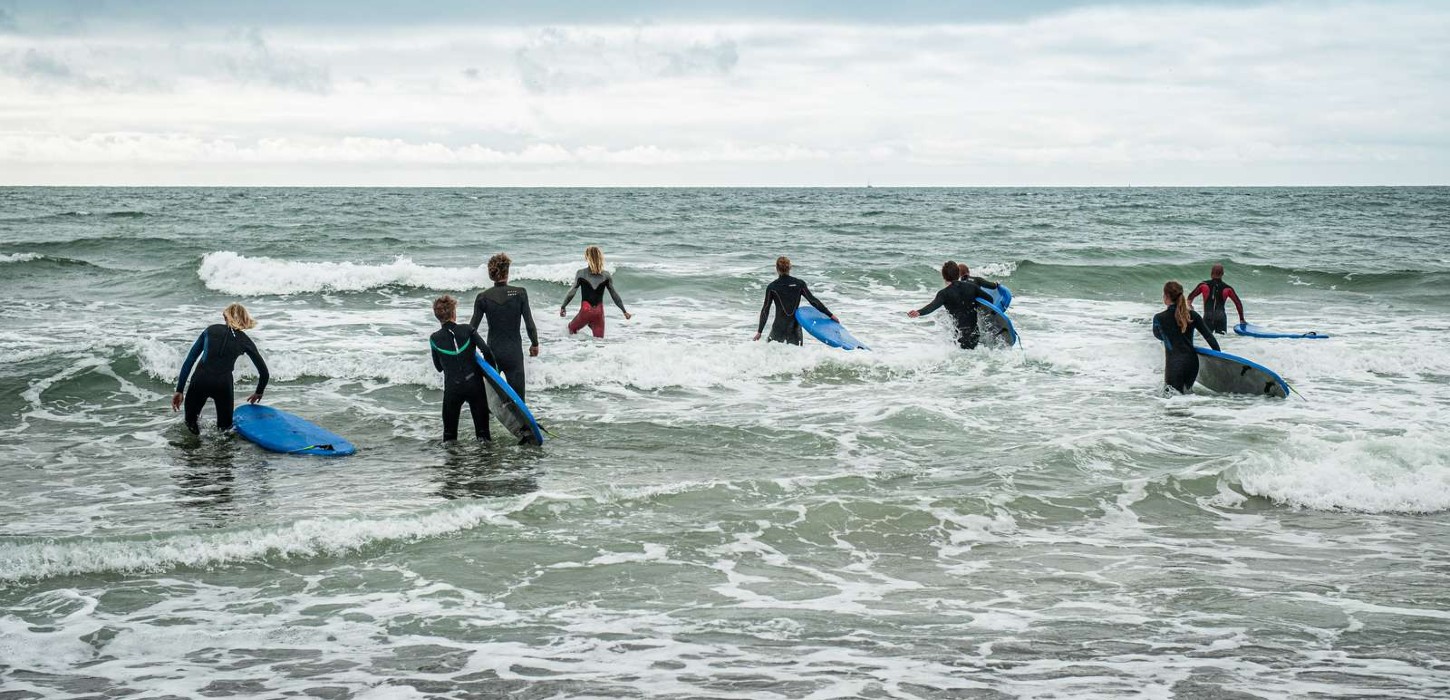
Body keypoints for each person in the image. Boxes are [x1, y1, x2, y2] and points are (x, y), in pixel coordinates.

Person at [171, 303, 269, 435]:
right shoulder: (245, 341)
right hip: (224, 386)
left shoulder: (210, 330)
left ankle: (192, 453)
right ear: (244, 319)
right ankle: (222, 455)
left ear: (225, 316)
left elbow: (190, 360)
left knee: (191, 425)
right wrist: (259, 392)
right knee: (225, 432)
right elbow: (264, 373)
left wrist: (179, 390)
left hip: (200, 380)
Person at [470, 253, 538, 401]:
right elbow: (529, 324)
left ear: (491, 274)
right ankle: (521, 424)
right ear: (507, 272)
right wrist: (534, 344)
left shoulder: (483, 297)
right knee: (519, 400)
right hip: (514, 354)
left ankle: (488, 423)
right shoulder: (520, 293)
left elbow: (471, 329)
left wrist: (468, 350)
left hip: (492, 352)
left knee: (491, 399)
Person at [430, 295, 498, 442]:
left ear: (438, 317)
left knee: (449, 437)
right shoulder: (468, 330)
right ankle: (485, 462)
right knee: (483, 435)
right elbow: (486, 351)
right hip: (475, 386)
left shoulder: (434, 338)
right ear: (454, 313)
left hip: (453, 388)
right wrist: (494, 376)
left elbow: (438, 368)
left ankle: (453, 463)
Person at [908, 261, 996, 349]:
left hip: (959, 336)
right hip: (975, 334)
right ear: (958, 274)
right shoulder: (971, 287)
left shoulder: (944, 294)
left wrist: (918, 312)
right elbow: (989, 299)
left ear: (943, 276)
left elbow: (931, 307)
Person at [1153, 280, 1221, 394]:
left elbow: (1158, 335)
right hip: (1192, 365)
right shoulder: (1192, 315)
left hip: (1174, 366)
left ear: (1167, 296)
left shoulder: (1159, 318)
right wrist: (1219, 362)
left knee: (1173, 402)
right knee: (1186, 398)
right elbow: (1210, 338)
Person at [753, 256, 836, 345]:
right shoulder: (799, 284)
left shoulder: (772, 287)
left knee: (773, 355)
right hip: (794, 328)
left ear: (776, 268)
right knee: (797, 356)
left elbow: (765, 309)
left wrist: (759, 331)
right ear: (790, 267)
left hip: (778, 328)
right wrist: (830, 315)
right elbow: (813, 301)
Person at [559, 245, 632, 338]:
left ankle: (576, 349)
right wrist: (624, 311)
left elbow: (572, 292)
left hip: (585, 311)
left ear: (587, 257)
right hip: (599, 313)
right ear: (600, 258)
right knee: (599, 342)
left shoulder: (581, 273)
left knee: (570, 330)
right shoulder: (606, 275)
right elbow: (615, 295)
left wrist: (563, 306)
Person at [1187, 263, 1245, 334]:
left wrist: (1190, 307)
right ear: (1222, 274)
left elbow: (1190, 297)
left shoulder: (1203, 285)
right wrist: (1242, 319)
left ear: (1211, 273)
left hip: (1208, 316)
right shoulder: (1227, 288)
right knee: (1221, 340)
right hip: (1221, 317)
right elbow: (1238, 303)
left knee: (1206, 339)